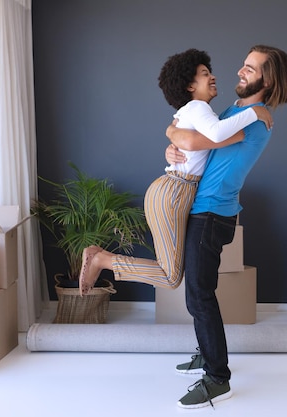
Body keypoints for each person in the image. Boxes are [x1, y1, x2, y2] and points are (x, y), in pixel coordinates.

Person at [78, 48, 272, 296]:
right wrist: (255, 112)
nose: (212, 76)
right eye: (204, 74)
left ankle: (102, 259)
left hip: (175, 190)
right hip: (175, 191)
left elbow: (195, 141)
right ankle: (101, 260)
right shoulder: (198, 109)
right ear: (190, 85)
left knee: (172, 274)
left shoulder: (202, 112)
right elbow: (215, 135)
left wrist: (172, 137)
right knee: (170, 277)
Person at [165, 44, 287, 409]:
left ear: (268, 80)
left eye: (250, 69)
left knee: (200, 295)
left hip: (211, 213)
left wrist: (177, 137)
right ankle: (207, 356)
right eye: (244, 64)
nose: (240, 71)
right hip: (203, 209)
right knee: (197, 293)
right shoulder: (234, 110)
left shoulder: (257, 117)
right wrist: (171, 147)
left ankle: (218, 378)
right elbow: (186, 133)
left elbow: (190, 134)